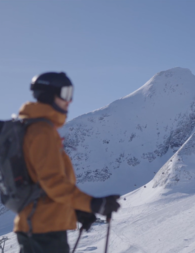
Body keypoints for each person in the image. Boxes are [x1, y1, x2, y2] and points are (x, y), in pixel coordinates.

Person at [15, 72, 121, 253]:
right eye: (65, 94)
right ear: (49, 95)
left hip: (39, 224)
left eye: (70, 94)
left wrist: (76, 211)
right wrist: (93, 204)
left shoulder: (35, 128)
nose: (69, 100)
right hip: (44, 230)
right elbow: (53, 182)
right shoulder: (41, 131)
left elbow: (39, 185)